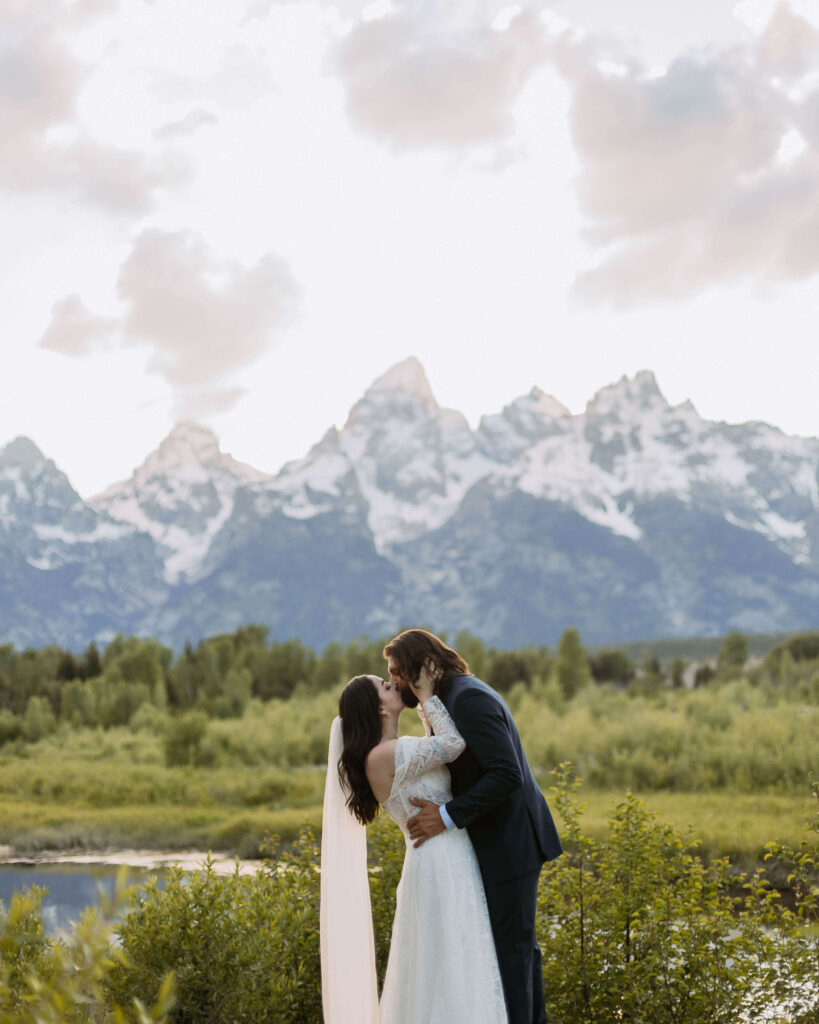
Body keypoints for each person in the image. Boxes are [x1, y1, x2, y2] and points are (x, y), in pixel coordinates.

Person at [384, 629, 563, 1024]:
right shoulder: (446, 700)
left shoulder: (469, 699)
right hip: (493, 843)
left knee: (511, 955)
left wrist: (446, 816)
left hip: (510, 844)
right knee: (515, 951)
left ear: (420, 665)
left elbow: (506, 774)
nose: (394, 680)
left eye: (397, 671)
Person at [320, 666, 507, 1024]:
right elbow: (452, 745)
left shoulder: (392, 752)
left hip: (437, 856)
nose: (396, 685)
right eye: (387, 686)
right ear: (380, 710)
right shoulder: (385, 755)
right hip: (440, 860)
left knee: (448, 959)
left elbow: (431, 751)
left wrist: (425, 709)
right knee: (449, 957)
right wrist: (427, 696)